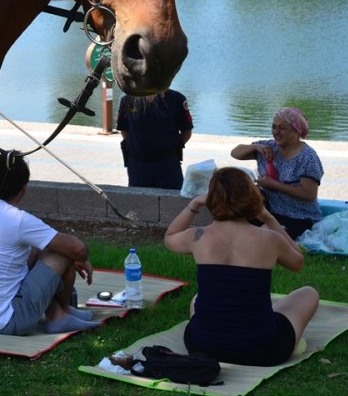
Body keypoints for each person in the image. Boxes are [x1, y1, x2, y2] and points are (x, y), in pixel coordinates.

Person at [164, 167, 320, 366]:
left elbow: (169, 238)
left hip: (202, 345)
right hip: (263, 349)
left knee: (197, 299)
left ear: (211, 198)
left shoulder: (198, 236)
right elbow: (298, 262)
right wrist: (270, 219)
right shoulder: (270, 239)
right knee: (308, 293)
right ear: (253, 198)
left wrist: (194, 204)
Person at [0, 151, 99, 335]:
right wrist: (80, 257)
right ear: (24, 188)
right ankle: (61, 316)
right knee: (62, 252)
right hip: (5, 322)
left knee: (38, 248)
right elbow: (77, 249)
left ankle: (58, 312)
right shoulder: (16, 219)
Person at [230, 107, 324, 239]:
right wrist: (254, 147)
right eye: (274, 127)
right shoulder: (269, 147)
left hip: (300, 216)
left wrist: (274, 185)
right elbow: (235, 153)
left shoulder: (308, 157)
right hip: (271, 211)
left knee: (263, 236)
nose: (276, 132)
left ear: (296, 131)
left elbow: (309, 194)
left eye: (282, 128)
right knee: (236, 226)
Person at [116, 90, 193, 189]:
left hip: (168, 166)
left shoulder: (176, 98)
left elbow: (186, 131)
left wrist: (172, 148)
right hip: (138, 167)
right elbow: (124, 130)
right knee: (138, 202)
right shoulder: (127, 100)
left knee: (172, 201)